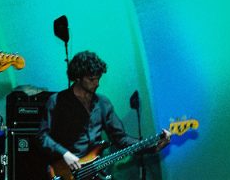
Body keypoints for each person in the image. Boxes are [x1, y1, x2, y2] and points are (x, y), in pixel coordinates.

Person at [38, 50, 170, 179]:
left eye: (98, 78)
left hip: (96, 172)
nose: (97, 83)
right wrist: (65, 154)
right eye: (91, 79)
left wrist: (152, 147)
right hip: (65, 172)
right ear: (78, 77)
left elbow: (121, 139)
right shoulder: (56, 101)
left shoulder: (103, 103)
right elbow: (42, 137)